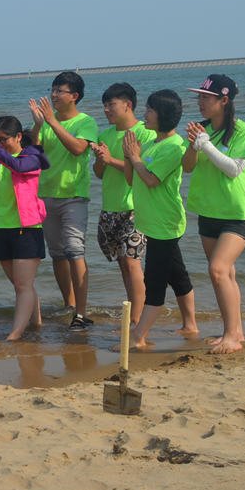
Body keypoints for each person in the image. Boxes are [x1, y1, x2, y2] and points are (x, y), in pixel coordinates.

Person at [184, 74, 245, 354]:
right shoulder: (200, 129)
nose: (200, 102)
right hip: (208, 211)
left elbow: (234, 169)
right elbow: (188, 166)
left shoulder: (242, 131)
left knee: (218, 270)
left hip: (236, 213)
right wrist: (194, 145)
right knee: (226, 274)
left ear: (224, 100)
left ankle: (230, 336)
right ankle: (235, 331)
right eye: (199, 97)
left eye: (206, 97)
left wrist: (205, 144)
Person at [123, 90, 198, 349]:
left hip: (165, 223)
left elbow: (152, 180)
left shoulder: (174, 146)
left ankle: (138, 337)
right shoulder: (152, 144)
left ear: (163, 115)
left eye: (150, 110)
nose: (145, 114)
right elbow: (132, 180)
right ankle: (190, 324)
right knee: (177, 275)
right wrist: (128, 155)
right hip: (152, 222)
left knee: (154, 282)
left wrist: (135, 157)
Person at [29, 71, 99, 329]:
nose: (54, 95)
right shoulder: (47, 121)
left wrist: (51, 121)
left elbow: (78, 148)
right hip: (46, 194)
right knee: (57, 254)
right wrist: (39, 124)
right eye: (53, 89)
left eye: (60, 91)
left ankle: (81, 313)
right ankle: (69, 304)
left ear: (75, 96)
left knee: (74, 250)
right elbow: (33, 150)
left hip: (73, 196)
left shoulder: (86, 122)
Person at [0, 116, 50, 341]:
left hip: (27, 228)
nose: (1, 143)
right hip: (1, 227)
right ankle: (36, 324)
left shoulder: (32, 156)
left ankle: (15, 334)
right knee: (21, 285)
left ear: (18, 137)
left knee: (23, 285)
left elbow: (18, 167)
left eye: (4, 139)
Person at [92, 83, 154, 327]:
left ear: (128, 105)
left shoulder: (144, 132)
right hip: (110, 207)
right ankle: (132, 312)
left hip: (134, 208)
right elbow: (99, 173)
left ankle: (138, 320)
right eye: (104, 105)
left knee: (132, 262)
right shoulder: (105, 135)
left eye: (111, 105)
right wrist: (101, 159)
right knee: (122, 264)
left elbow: (144, 171)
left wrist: (111, 159)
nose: (106, 110)